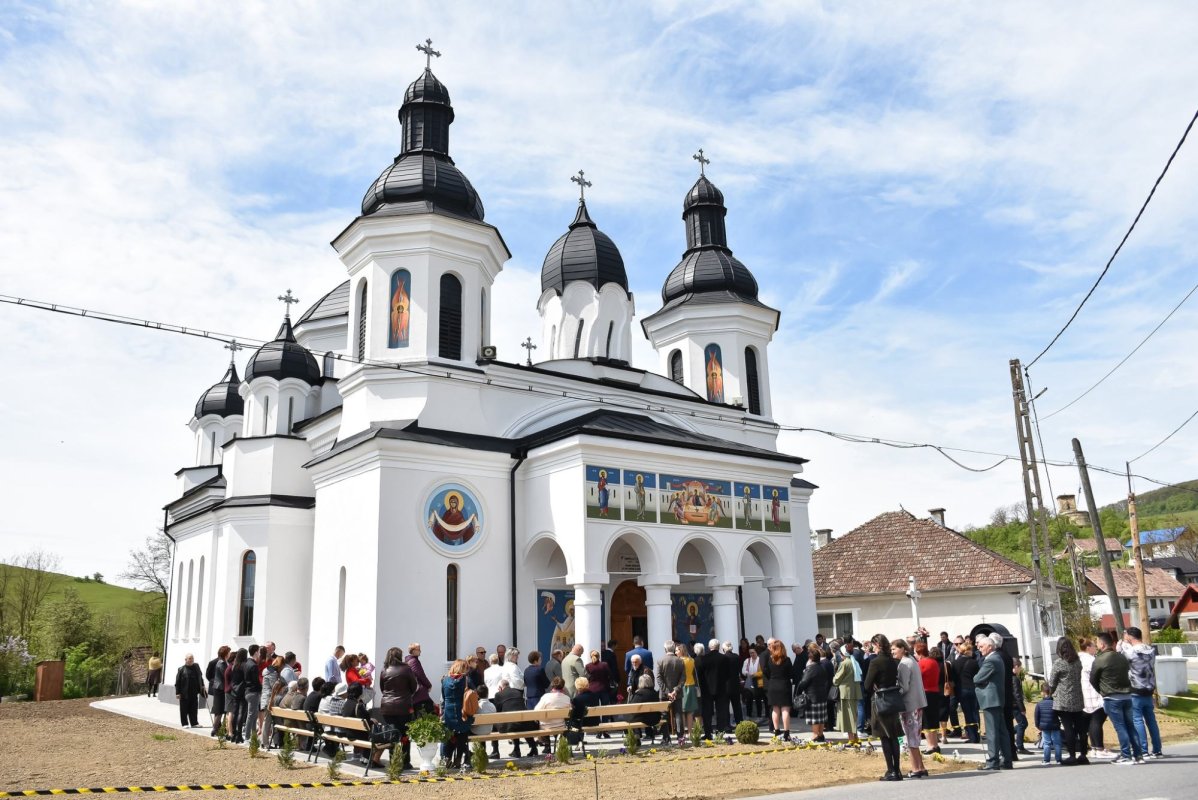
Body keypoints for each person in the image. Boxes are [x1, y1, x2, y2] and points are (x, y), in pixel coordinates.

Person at [1091, 632, 1142, 764]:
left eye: (1097, 643)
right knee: (1131, 726)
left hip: (1111, 697)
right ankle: (1138, 754)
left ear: (1102, 644)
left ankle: (1126, 755)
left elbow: (1093, 679)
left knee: (1120, 727)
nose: (1096, 645)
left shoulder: (1100, 659)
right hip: (1127, 696)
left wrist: (1101, 691)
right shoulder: (1121, 657)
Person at [864, 634, 902, 781]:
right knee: (893, 735)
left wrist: (874, 685)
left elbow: (867, 685)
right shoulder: (894, 661)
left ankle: (891, 770)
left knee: (884, 736)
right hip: (893, 698)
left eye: (874, 645)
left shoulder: (875, 662)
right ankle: (897, 770)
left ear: (877, 645)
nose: (872, 647)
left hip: (880, 699)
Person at [1124, 627, 1163, 759]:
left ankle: (1143, 749)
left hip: (1135, 689)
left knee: (1137, 720)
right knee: (1151, 720)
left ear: (1130, 636)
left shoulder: (1130, 652)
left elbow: (1124, 660)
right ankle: (1157, 749)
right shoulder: (1151, 650)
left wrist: (1122, 647)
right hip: (1149, 688)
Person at [974, 633, 1011, 771]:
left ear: (990, 647)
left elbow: (977, 678)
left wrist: (979, 680)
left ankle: (992, 761)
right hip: (995, 699)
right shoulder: (996, 658)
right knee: (1001, 731)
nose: (979, 648)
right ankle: (1007, 760)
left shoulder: (991, 660)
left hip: (991, 700)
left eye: (982, 646)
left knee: (992, 732)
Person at [1046, 637, 1086, 764]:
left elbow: (1052, 682)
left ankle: (1072, 755)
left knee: (1068, 727)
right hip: (1078, 698)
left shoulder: (1059, 663)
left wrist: (1050, 693)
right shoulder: (1077, 662)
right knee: (1081, 728)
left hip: (1063, 701)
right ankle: (1083, 754)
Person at [892, 639, 928, 778]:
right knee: (914, 737)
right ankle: (921, 767)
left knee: (911, 738)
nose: (892, 651)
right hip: (917, 703)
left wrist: (894, 695)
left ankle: (916, 769)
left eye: (894, 649)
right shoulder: (912, 660)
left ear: (903, 649)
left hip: (909, 704)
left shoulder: (904, 664)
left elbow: (904, 687)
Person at [380, 646, 416, 771]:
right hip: (404, 705)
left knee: (392, 734)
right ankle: (405, 762)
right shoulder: (406, 669)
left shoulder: (385, 669)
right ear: (400, 656)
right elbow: (414, 686)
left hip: (387, 707)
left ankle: (393, 761)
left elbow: (382, 688)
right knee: (405, 734)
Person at [1078, 637, 1110, 758]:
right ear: (1088, 648)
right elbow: (1098, 675)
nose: (1095, 648)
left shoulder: (1078, 658)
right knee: (1097, 720)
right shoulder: (1091, 660)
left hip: (1083, 694)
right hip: (1093, 693)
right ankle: (1099, 747)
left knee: (1089, 723)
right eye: (1093, 646)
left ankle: (1093, 748)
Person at [495, 678, 540, 758]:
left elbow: (498, 711)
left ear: (500, 687)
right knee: (521, 723)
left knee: (511, 723)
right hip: (526, 724)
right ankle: (533, 748)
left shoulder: (499, 695)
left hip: (511, 726)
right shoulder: (518, 692)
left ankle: (516, 750)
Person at [795, 643, 830, 743]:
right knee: (821, 717)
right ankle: (821, 734)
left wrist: (797, 693)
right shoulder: (822, 667)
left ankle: (815, 735)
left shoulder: (810, 669)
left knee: (815, 718)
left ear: (810, 659)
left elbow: (803, 682)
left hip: (812, 696)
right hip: (822, 695)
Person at [440, 659, 473, 768]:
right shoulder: (466, 680)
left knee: (449, 735)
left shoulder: (445, 681)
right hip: (462, 711)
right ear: (463, 669)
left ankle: (447, 758)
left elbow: (444, 698)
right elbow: (473, 695)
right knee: (462, 733)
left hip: (449, 712)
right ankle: (459, 758)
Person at [913, 641, 941, 755]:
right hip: (935, 692)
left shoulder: (921, 663)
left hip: (925, 693)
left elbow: (916, 678)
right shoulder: (934, 661)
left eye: (915, 652)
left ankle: (930, 745)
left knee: (926, 721)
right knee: (933, 720)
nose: (914, 655)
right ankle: (935, 744)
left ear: (919, 652)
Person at [761, 640, 793, 740]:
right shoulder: (787, 660)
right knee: (785, 710)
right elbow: (791, 674)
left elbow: (766, 671)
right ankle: (786, 732)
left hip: (773, 685)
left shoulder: (770, 660)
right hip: (784, 685)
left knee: (775, 709)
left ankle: (776, 730)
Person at [833, 641, 861, 743]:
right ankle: (855, 738)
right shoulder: (854, 661)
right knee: (853, 715)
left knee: (848, 716)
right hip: (854, 691)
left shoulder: (844, 663)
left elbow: (836, 679)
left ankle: (851, 739)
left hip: (846, 692)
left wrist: (834, 678)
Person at [534, 676, 573, 749]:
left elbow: (536, 710)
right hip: (560, 725)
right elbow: (570, 711)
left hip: (546, 726)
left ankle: (547, 746)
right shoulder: (566, 698)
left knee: (541, 722)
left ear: (552, 685)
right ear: (563, 686)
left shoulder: (546, 697)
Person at [656, 639, 685, 736]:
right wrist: (675, 690)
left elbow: (659, 678)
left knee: (664, 715)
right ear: (673, 649)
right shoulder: (680, 661)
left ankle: (666, 738)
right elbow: (683, 678)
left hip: (665, 694)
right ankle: (680, 737)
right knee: (678, 715)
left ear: (665, 649)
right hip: (677, 693)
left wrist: (667, 692)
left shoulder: (660, 661)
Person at [955, 638, 981, 743]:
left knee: (967, 713)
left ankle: (971, 736)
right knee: (975, 712)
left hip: (962, 689)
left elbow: (954, 677)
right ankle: (977, 734)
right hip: (973, 689)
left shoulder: (956, 663)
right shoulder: (974, 663)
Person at [175, 653, 206, 729]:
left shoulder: (196, 667)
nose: (191, 660)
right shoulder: (181, 669)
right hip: (184, 693)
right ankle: (184, 723)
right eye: (190, 658)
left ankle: (194, 723)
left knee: (194, 708)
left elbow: (200, 677)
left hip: (194, 692)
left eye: (192, 658)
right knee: (184, 709)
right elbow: (177, 682)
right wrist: (177, 693)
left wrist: (202, 686)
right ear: (185, 660)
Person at [629, 673, 663, 742]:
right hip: (655, 718)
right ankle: (650, 734)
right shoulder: (655, 693)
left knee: (632, 718)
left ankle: (636, 735)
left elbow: (631, 707)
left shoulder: (639, 693)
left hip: (643, 719)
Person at [206, 645, 230, 737]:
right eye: (228, 652)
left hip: (219, 688)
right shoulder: (222, 663)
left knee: (219, 710)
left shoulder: (223, 662)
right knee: (219, 710)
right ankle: (215, 729)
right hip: (220, 688)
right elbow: (225, 676)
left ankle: (217, 729)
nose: (229, 654)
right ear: (225, 654)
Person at [405, 643, 435, 715]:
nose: (420, 651)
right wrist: (429, 685)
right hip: (419, 692)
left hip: (415, 692)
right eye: (418, 649)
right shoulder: (414, 661)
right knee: (428, 711)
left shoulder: (409, 660)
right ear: (413, 651)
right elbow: (420, 675)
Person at [1035, 684, 1062, 765]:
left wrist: (1038, 726)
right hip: (1055, 725)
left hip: (1044, 726)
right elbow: (1059, 714)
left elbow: (1036, 717)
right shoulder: (1055, 703)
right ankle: (1059, 760)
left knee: (1046, 743)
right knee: (1057, 743)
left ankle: (1047, 760)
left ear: (1042, 692)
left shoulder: (1039, 704)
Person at [241, 648, 263, 745]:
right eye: (258, 652)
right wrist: (261, 688)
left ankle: (253, 736)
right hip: (253, 692)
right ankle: (247, 737)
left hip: (247, 691)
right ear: (255, 652)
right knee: (251, 715)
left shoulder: (246, 663)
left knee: (253, 715)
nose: (259, 654)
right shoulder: (253, 665)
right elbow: (256, 681)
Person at [677, 643, 699, 736]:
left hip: (682, 686)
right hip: (691, 685)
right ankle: (690, 732)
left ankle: (683, 732)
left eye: (677, 650)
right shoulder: (692, 660)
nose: (675, 652)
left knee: (682, 711)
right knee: (690, 712)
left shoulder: (679, 661)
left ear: (681, 651)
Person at [721, 641, 744, 728]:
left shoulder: (723, 658)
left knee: (726, 706)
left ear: (724, 649)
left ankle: (727, 726)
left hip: (725, 685)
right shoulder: (737, 657)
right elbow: (740, 670)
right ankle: (740, 725)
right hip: (735, 684)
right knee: (737, 706)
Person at [741, 643, 765, 721]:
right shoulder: (747, 660)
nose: (751, 654)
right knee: (749, 698)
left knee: (758, 699)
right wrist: (747, 673)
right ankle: (748, 715)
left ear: (756, 652)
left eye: (753, 652)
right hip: (749, 681)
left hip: (758, 681)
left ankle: (759, 716)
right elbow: (743, 671)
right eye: (750, 653)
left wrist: (755, 674)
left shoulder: (760, 660)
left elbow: (763, 671)